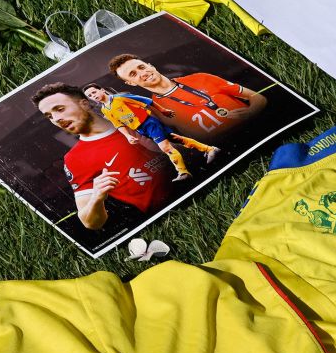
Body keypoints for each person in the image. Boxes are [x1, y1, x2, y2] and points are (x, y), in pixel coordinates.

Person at [31, 82, 175, 231]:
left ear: (85, 104)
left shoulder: (131, 118)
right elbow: (90, 222)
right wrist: (97, 198)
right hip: (169, 217)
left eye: (60, 109)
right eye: (49, 116)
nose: (56, 118)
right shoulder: (75, 159)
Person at [108, 54, 267, 140]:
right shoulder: (154, 111)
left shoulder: (200, 77)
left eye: (141, 67)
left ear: (151, 66)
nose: (143, 74)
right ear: (130, 83)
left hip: (259, 128)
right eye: (133, 74)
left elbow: (257, 97)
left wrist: (252, 110)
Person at [81, 83, 219, 181]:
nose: (93, 96)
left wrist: (163, 110)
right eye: (90, 96)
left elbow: (145, 100)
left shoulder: (119, 98)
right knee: (176, 138)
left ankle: (183, 172)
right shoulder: (105, 110)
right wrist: (128, 136)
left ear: (102, 90)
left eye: (94, 92)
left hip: (149, 122)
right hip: (141, 129)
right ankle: (209, 149)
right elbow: (118, 124)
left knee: (165, 147)